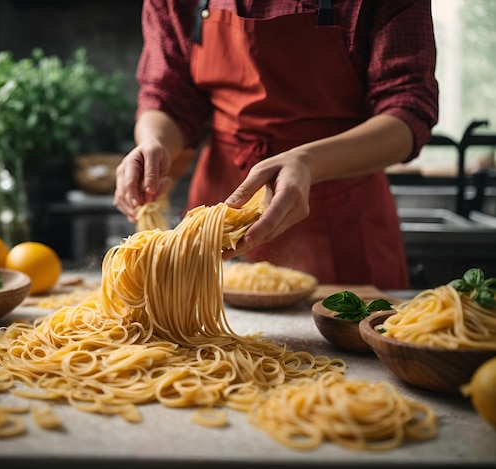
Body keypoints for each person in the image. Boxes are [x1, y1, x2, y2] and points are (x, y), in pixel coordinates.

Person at [113, 0, 438, 290]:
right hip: (219, 204)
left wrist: (310, 161)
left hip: (341, 212)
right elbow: (168, 98)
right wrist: (155, 142)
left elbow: (407, 111)